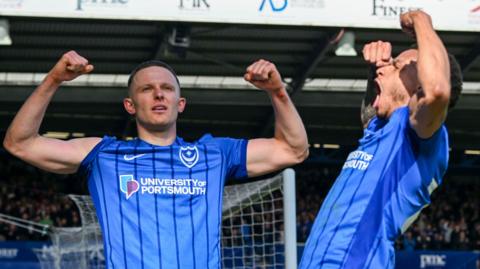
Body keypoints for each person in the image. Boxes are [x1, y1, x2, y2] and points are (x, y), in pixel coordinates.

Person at [3, 52, 309, 268]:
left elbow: (293, 150)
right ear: (130, 105)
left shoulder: (214, 154)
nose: (158, 95)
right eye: (147, 89)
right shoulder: (104, 155)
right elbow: (20, 143)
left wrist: (277, 92)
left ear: (181, 103)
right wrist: (54, 79)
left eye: (166, 89)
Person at [300, 10, 462, 269]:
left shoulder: (423, 136)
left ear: (418, 88)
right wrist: (373, 73)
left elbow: (438, 91)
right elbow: (368, 116)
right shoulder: (384, 130)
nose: (386, 66)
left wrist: (421, 20)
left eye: (396, 65)